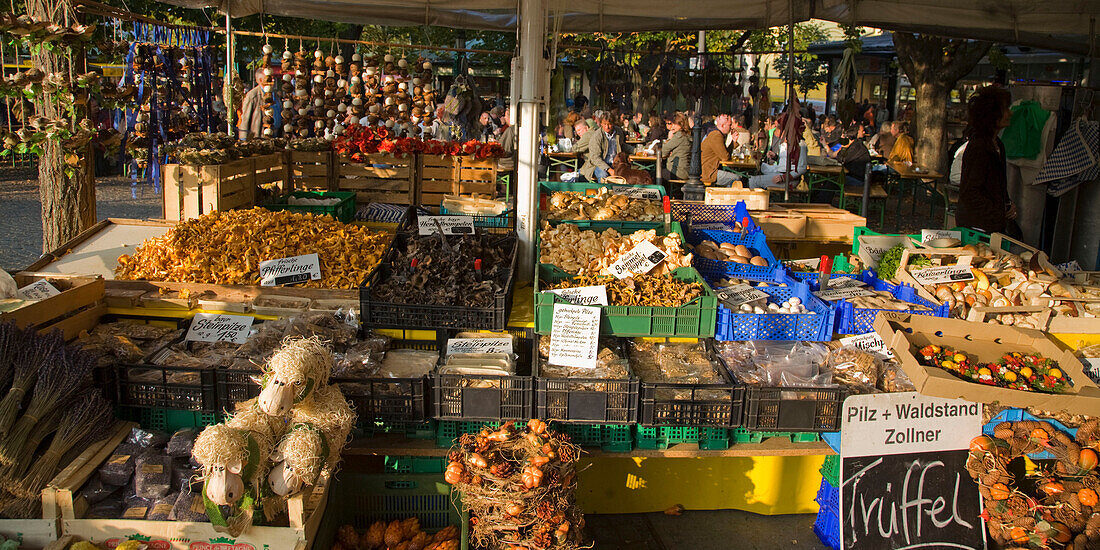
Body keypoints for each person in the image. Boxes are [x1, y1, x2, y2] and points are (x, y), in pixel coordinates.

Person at [957, 86, 1015, 233]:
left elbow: (997, 184)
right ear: (993, 114)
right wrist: (998, 213)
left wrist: (1007, 205)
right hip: (977, 227)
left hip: (993, 225)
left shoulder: (997, 144)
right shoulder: (979, 147)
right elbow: (970, 193)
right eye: (1006, 109)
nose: (1010, 113)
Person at [747, 112, 808, 190]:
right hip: (778, 171)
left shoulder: (800, 145)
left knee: (753, 181)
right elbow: (785, 161)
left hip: (789, 179)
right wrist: (776, 157)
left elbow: (802, 168)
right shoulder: (783, 144)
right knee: (754, 172)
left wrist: (783, 177)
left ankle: (757, 201)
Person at [813, 136, 871, 203]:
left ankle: (821, 203)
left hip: (860, 180)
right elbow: (833, 154)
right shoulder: (850, 146)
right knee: (830, 179)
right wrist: (824, 144)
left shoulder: (855, 148)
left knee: (833, 181)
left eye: (843, 136)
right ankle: (819, 200)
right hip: (853, 176)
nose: (841, 137)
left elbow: (841, 159)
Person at [580, 113, 625, 182]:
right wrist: (609, 170)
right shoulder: (596, 136)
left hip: (615, 163)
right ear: (601, 124)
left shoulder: (618, 132)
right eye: (604, 124)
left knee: (626, 173)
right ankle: (603, 191)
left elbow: (622, 145)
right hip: (600, 164)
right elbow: (595, 158)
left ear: (613, 124)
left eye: (609, 124)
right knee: (603, 175)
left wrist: (636, 150)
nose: (607, 127)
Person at [239, 67, 279, 139]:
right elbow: (244, 120)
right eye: (269, 78)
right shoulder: (252, 95)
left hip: (275, 136)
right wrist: (243, 139)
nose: (273, 80)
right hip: (259, 137)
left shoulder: (275, 94)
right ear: (261, 80)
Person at [700, 113, 738, 187]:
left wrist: (734, 141)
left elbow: (725, 154)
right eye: (729, 125)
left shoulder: (716, 133)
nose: (731, 127)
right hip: (709, 173)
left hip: (711, 169)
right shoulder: (716, 135)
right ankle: (727, 198)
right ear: (723, 125)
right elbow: (725, 157)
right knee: (737, 179)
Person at [662, 113, 692, 180]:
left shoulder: (679, 136)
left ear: (680, 124)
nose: (673, 127)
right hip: (685, 170)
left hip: (677, 171)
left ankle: (664, 190)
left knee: (655, 174)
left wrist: (669, 138)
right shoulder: (687, 135)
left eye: (675, 124)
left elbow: (663, 152)